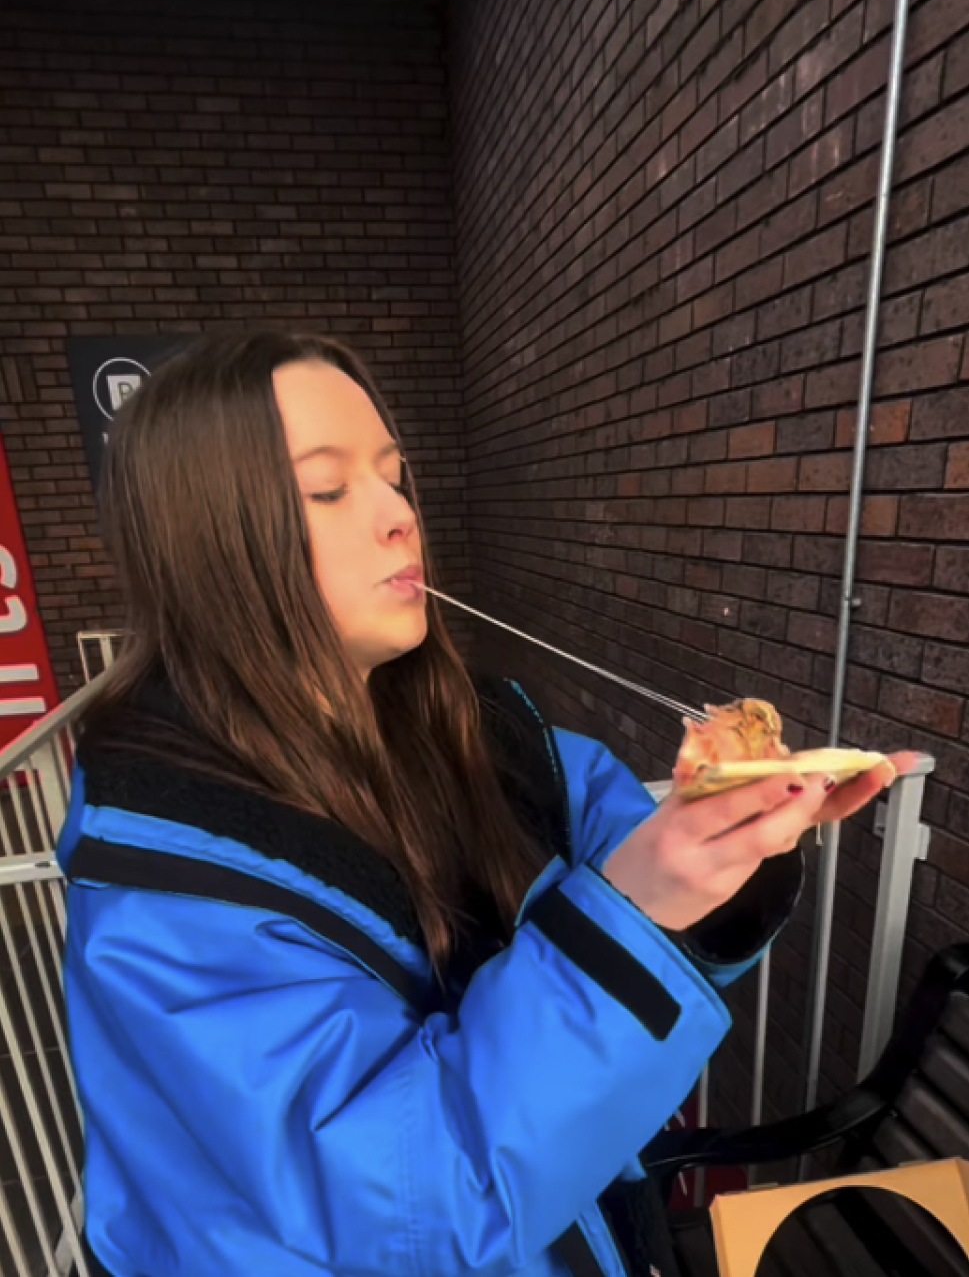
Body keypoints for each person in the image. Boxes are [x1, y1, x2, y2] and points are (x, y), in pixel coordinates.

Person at [57, 331, 914, 1277]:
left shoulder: (487, 735)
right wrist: (639, 909)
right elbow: (406, 1204)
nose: (398, 516)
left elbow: (634, 867)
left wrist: (738, 835)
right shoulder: (168, 884)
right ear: (208, 541)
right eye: (327, 489)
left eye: (394, 477)